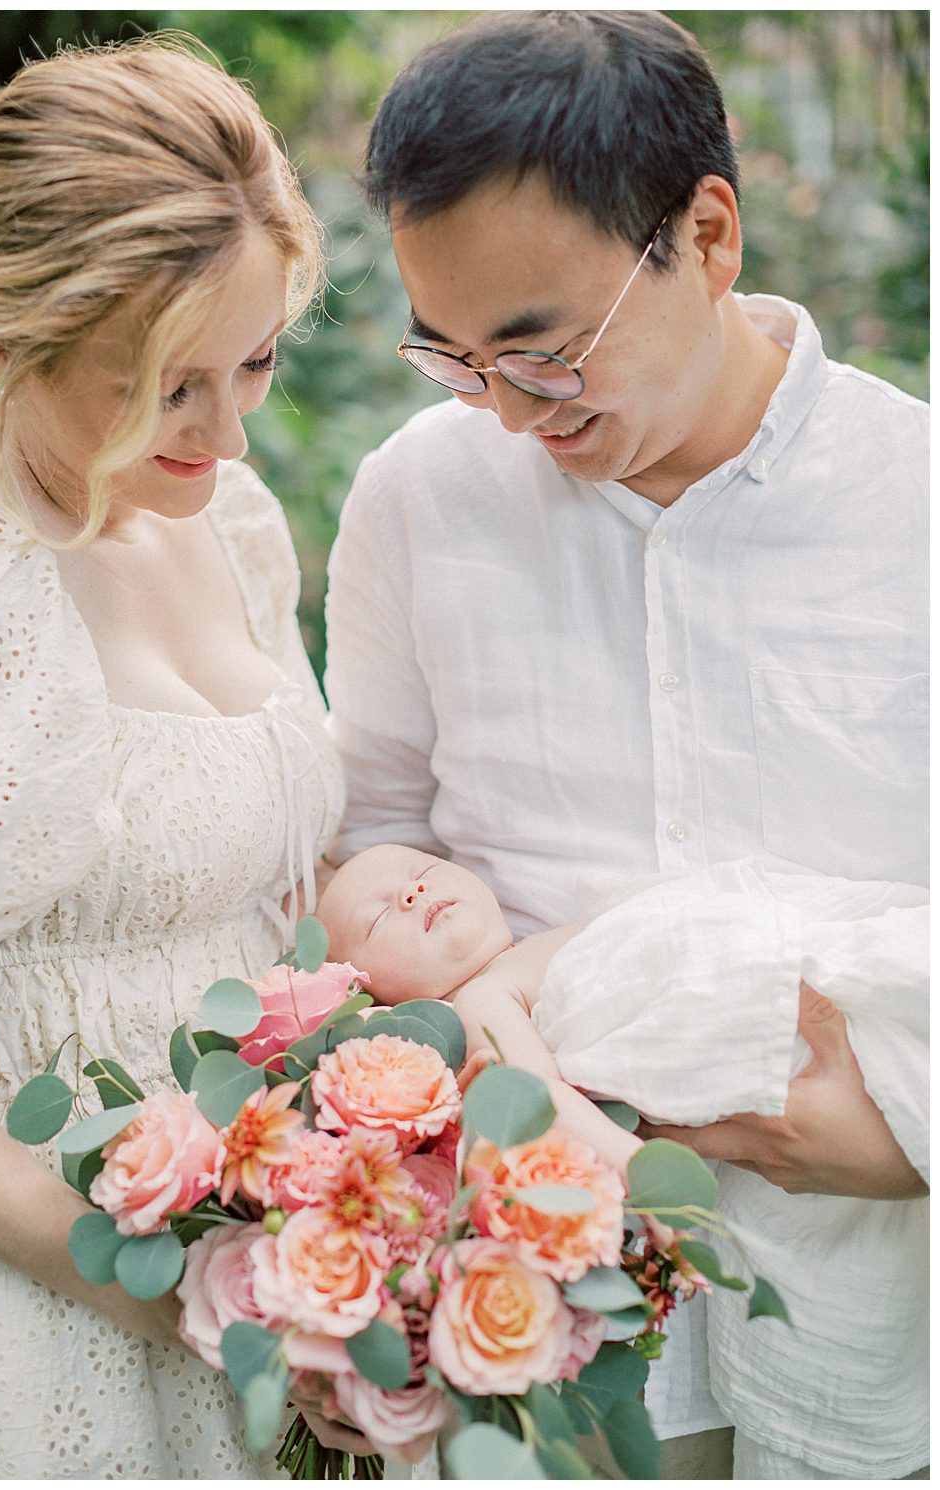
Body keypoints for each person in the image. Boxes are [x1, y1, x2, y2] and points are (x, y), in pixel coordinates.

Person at [322, 10, 928, 1480]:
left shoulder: (916, 502)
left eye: (544, 350)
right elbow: (369, 830)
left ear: (706, 233)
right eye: (454, 360)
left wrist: (910, 1132)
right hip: (538, 1303)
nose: (512, 415)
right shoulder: (417, 499)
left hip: (889, 1300)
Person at [0, 37, 345, 1479]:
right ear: (7, 342)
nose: (231, 431)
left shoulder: (233, 524)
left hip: (291, 1290)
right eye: (170, 388)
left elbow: (281, 899)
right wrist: (188, 1291)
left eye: (256, 361)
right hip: (47, 1310)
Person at [316, 841, 928, 1478]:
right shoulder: (481, 1002)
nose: (413, 892)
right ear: (375, 998)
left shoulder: (551, 941)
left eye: (425, 871)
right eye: (378, 917)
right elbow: (537, 1099)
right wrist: (644, 1175)